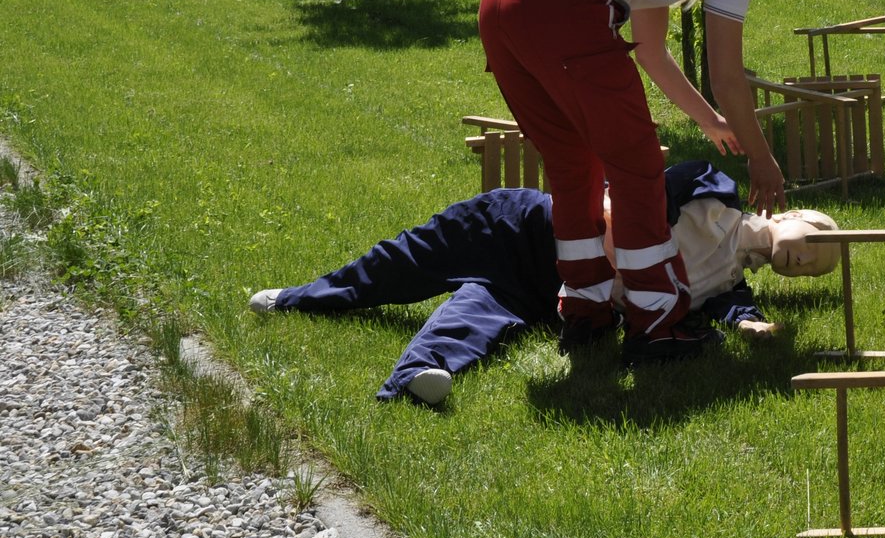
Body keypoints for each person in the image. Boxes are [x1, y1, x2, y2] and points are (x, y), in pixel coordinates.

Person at [479, 0, 789, 367]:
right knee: (638, 168)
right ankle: (658, 323)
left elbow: (650, 50)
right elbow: (727, 76)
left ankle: (585, 310)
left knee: (572, 165)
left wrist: (708, 120)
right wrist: (762, 158)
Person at [248, 162, 841, 405]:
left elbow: (726, 304)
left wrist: (749, 323)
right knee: (394, 266)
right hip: (517, 227)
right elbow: (658, 186)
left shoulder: (729, 280)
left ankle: (417, 377)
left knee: (474, 318)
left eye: (814, 271)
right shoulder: (719, 193)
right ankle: (300, 298)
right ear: (788, 215)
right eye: (814, 243)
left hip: (545, 287)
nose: (806, 263)